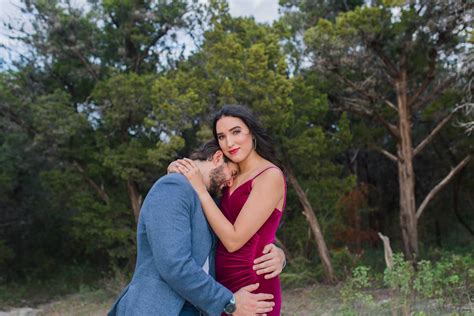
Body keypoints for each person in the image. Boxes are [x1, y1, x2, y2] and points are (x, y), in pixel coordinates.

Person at [108, 140, 285, 316]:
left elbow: (236, 234)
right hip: (160, 308)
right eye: (232, 173)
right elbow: (174, 264)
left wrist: (278, 255)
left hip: (198, 308)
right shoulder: (173, 187)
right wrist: (229, 302)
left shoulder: (208, 201)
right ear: (217, 157)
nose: (231, 182)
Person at [173, 105, 286, 316]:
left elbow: (234, 240)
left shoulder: (269, 176)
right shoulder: (227, 176)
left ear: (251, 131)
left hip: (252, 289)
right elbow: (175, 169)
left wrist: (200, 189)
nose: (229, 143)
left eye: (236, 132)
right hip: (221, 291)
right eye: (221, 136)